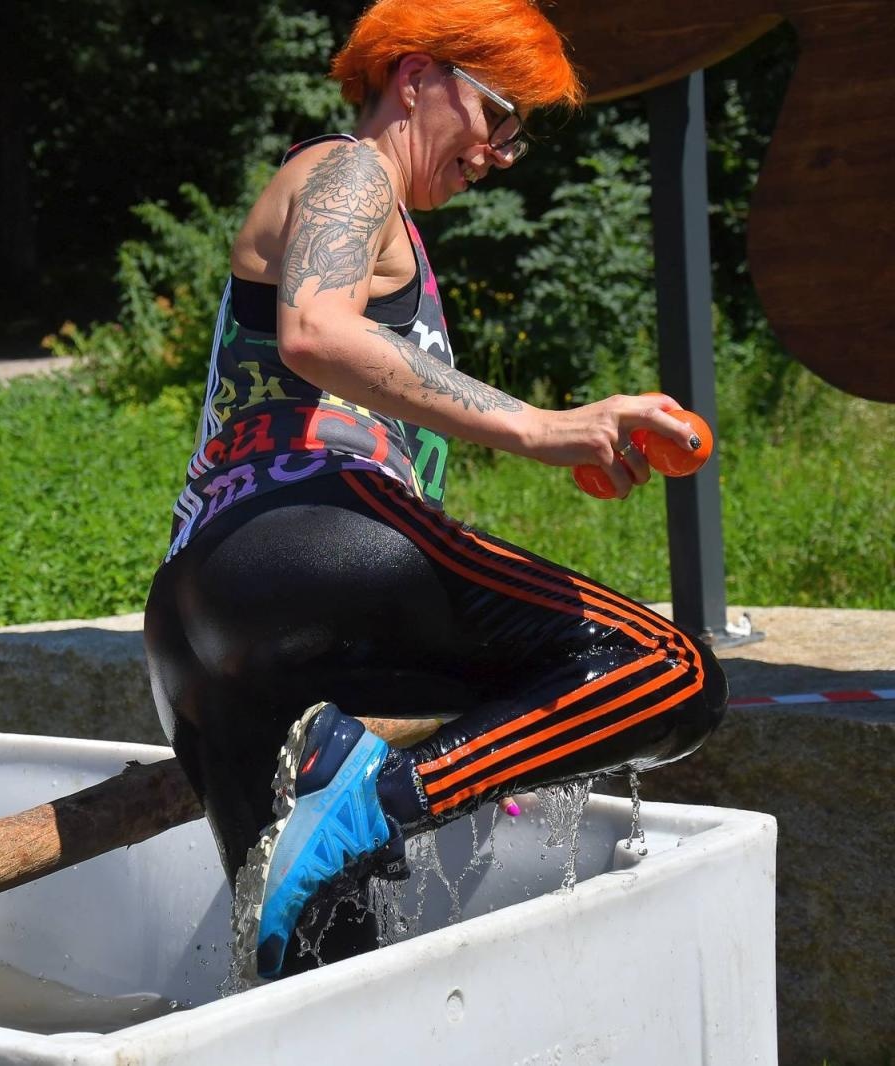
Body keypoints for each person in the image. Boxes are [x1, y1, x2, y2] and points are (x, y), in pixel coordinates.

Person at [142, 0, 728, 981]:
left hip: (197, 639)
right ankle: (378, 806)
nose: (500, 152)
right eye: (498, 115)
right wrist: (542, 426)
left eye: (518, 134)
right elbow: (316, 332)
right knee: (664, 670)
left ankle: (357, 794)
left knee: (312, 970)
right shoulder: (346, 171)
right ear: (415, 76)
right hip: (305, 541)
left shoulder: (358, 202)